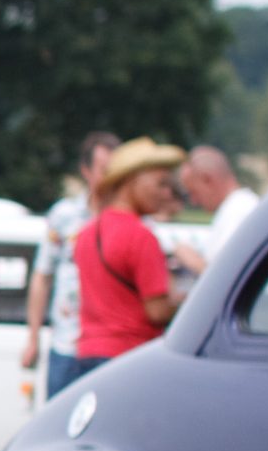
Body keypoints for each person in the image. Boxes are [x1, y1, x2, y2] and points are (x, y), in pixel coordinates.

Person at [72, 139, 203, 377]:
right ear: (132, 181)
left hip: (88, 353)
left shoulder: (87, 232)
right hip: (129, 357)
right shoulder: (141, 237)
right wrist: (193, 304)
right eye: (159, 184)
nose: (165, 193)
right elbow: (157, 312)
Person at [21, 132, 119, 400]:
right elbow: (42, 277)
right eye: (104, 170)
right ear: (86, 171)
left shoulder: (126, 220)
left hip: (107, 346)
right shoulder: (64, 216)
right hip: (66, 342)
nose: (111, 178)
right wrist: (33, 337)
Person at [183, 146, 261, 252]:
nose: (194, 201)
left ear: (207, 180)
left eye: (194, 192)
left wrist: (189, 258)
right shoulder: (234, 208)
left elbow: (231, 266)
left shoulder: (240, 211)